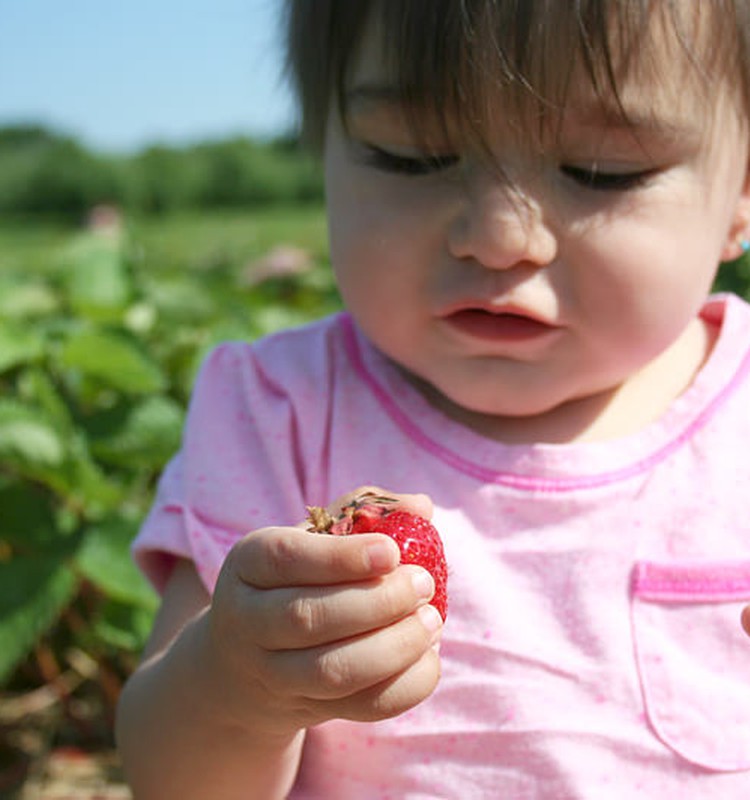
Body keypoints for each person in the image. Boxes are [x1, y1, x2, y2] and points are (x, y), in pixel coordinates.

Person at [115, 1, 750, 796]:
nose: (499, 235)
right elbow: (173, 782)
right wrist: (237, 690)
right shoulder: (283, 409)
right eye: (408, 157)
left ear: (742, 192)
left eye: (601, 170)